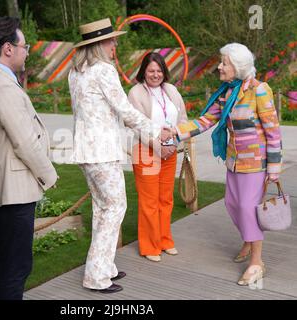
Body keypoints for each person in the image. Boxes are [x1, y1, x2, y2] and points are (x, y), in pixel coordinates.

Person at [68, 18, 173, 293]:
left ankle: (106, 268)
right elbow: (125, 110)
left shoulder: (75, 71)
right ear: (99, 44)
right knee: (115, 208)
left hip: (86, 150)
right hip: (102, 151)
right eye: (112, 40)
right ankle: (95, 276)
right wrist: (155, 131)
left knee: (102, 208)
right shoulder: (103, 70)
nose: (115, 44)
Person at [169, 43, 282, 286]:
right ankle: (248, 240)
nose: (219, 67)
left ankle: (256, 262)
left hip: (256, 163)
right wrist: (175, 132)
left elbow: (273, 132)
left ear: (238, 66)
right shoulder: (227, 92)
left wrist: (274, 167)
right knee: (232, 205)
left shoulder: (259, 90)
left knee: (247, 208)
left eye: (224, 63)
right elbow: (206, 120)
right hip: (234, 162)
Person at [0, 17, 58, 300]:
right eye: (25, 46)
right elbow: (24, 141)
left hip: (4, 189)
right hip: (13, 194)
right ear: (9, 49)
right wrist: (49, 175)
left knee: (13, 267)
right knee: (16, 268)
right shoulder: (0, 84)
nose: (27, 52)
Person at [128, 52, 188, 262]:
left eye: (159, 70)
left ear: (165, 72)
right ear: (144, 71)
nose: (155, 74)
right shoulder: (135, 93)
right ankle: (149, 245)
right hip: (146, 152)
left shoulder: (171, 90)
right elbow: (137, 125)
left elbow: (182, 119)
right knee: (149, 200)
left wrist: (175, 142)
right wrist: (158, 145)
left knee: (166, 198)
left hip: (170, 150)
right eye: (151, 70)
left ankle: (165, 240)